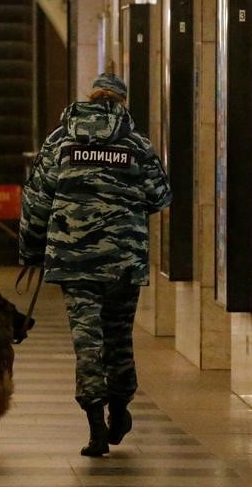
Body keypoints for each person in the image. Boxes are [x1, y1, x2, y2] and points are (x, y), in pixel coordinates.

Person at [19, 73, 171, 457]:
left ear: (89, 99)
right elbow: (160, 195)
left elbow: (37, 198)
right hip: (122, 262)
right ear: (121, 103)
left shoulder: (59, 140)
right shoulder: (136, 143)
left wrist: (32, 249)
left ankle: (95, 429)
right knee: (118, 337)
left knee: (87, 342)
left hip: (74, 261)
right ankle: (119, 410)